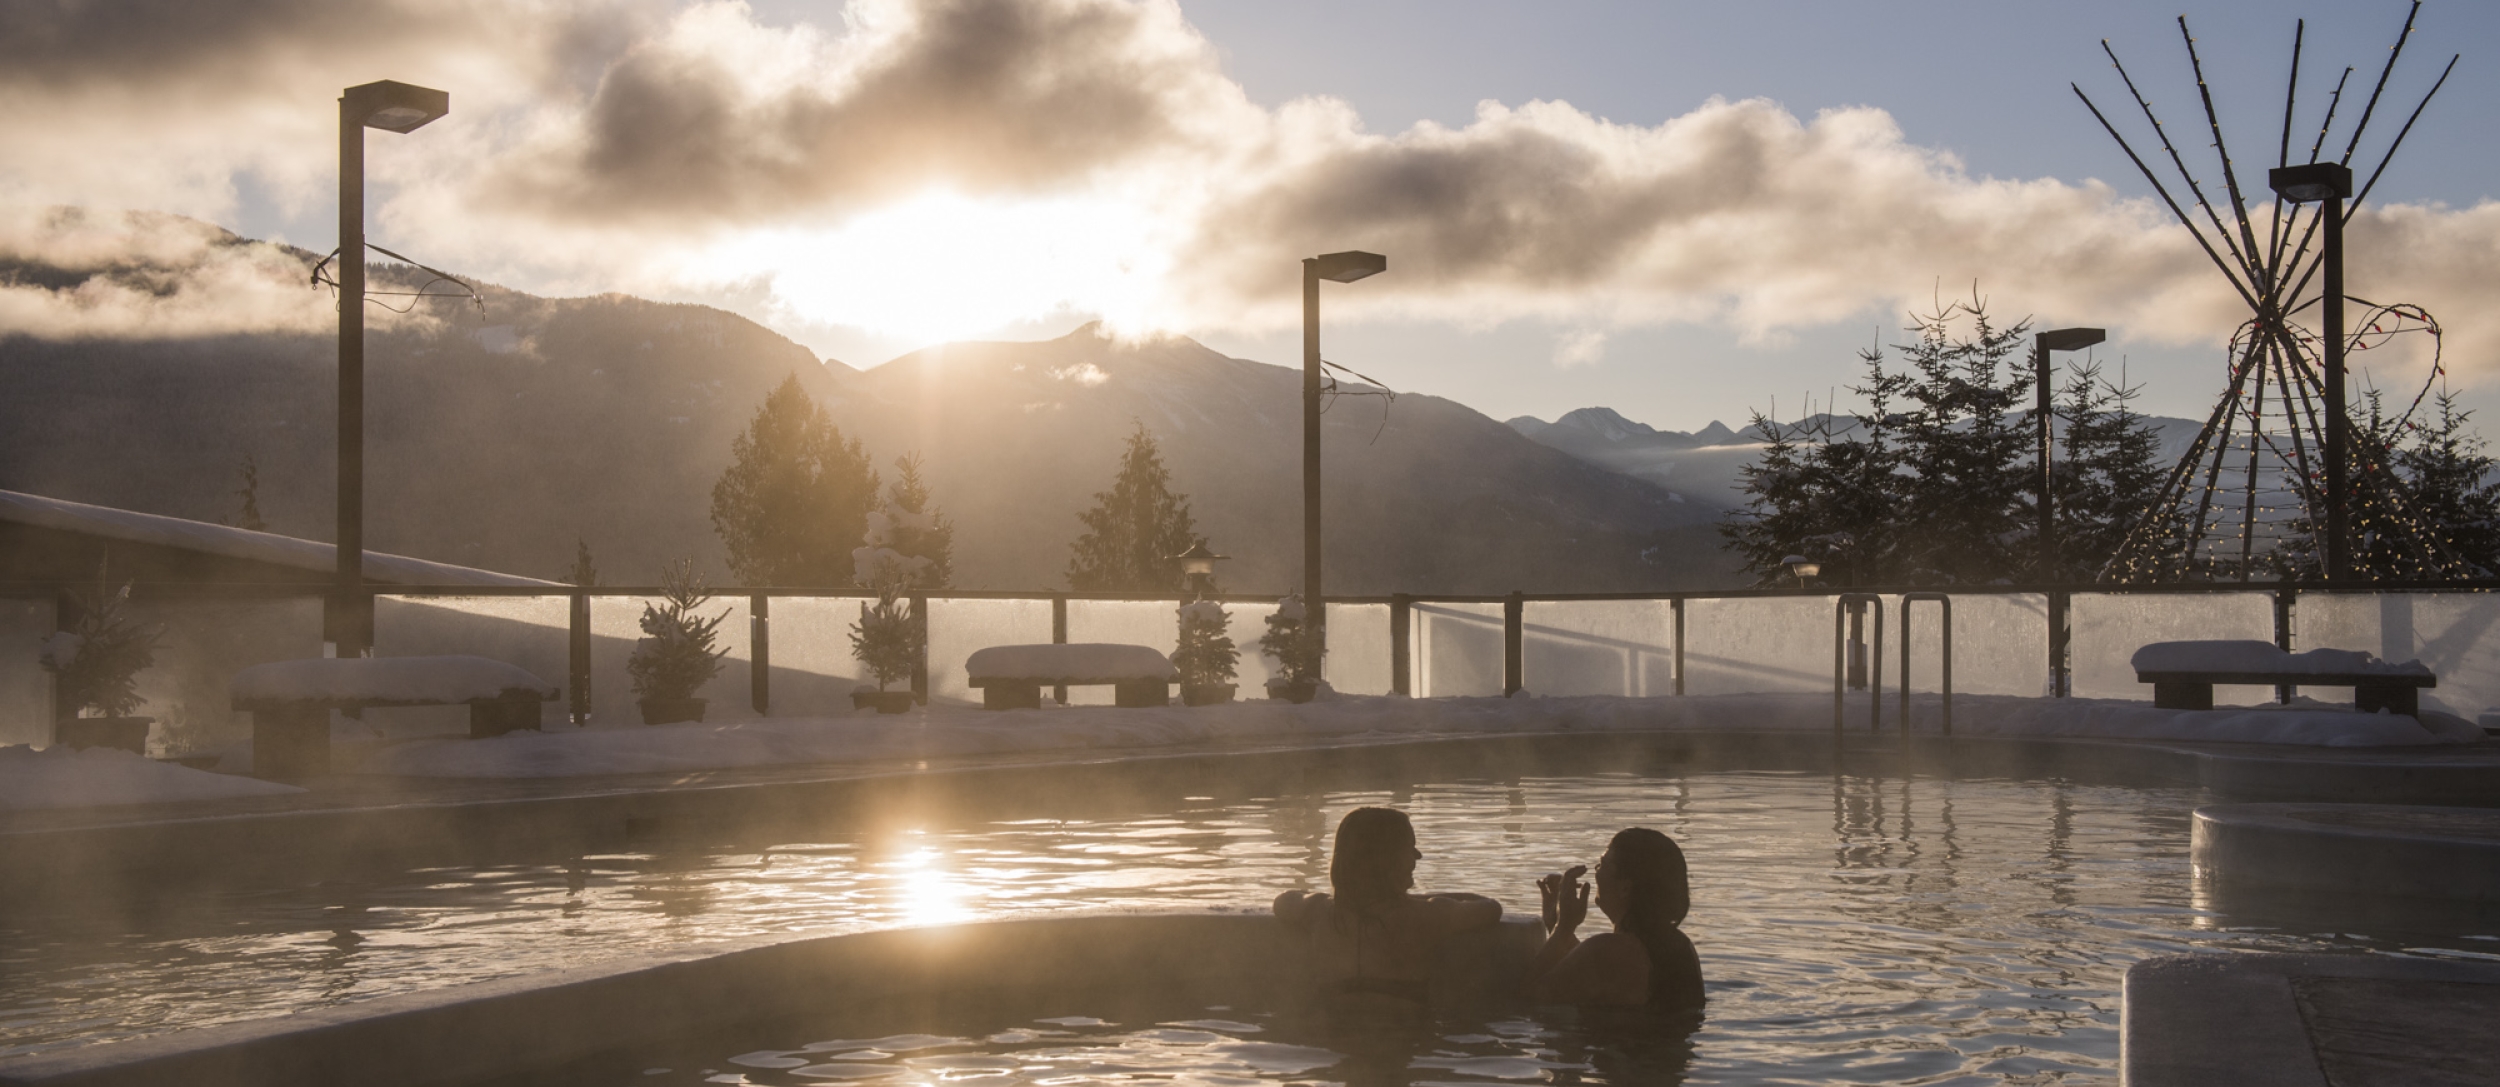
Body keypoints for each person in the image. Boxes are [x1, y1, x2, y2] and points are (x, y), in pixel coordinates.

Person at [1273, 807, 1504, 1004]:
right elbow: (1491, 908)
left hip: (1333, 1041)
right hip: (1405, 1040)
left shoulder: (1317, 911)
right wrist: (1426, 899)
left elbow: (1283, 900)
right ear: (1386, 859)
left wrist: (1352, 893)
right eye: (1410, 847)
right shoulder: (1427, 914)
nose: (1418, 855)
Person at [1524, 827, 1704, 1008]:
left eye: (1601, 864)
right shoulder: (1683, 945)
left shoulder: (1607, 951)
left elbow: (1525, 1000)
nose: (1596, 872)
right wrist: (1556, 923)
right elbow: (1594, 969)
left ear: (1625, 888)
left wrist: (1563, 929)